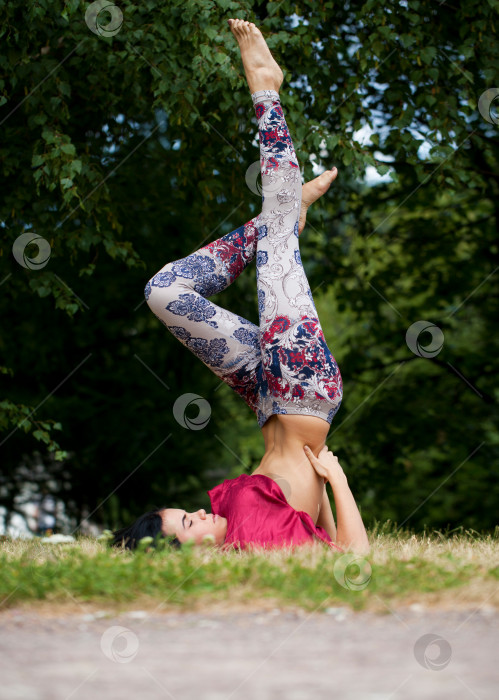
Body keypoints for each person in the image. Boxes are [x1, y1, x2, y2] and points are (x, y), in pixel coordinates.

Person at [112, 19, 369, 555]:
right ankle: (263, 86)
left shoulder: (234, 522)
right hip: (303, 385)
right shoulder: (255, 544)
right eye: (189, 524)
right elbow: (352, 559)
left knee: (163, 292)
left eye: (184, 512)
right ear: (192, 555)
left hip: (264, 393)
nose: (199, 512)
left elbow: (312, 520)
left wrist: (320, 483)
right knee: (278, 230)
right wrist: (338, 480)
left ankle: (279, 216)